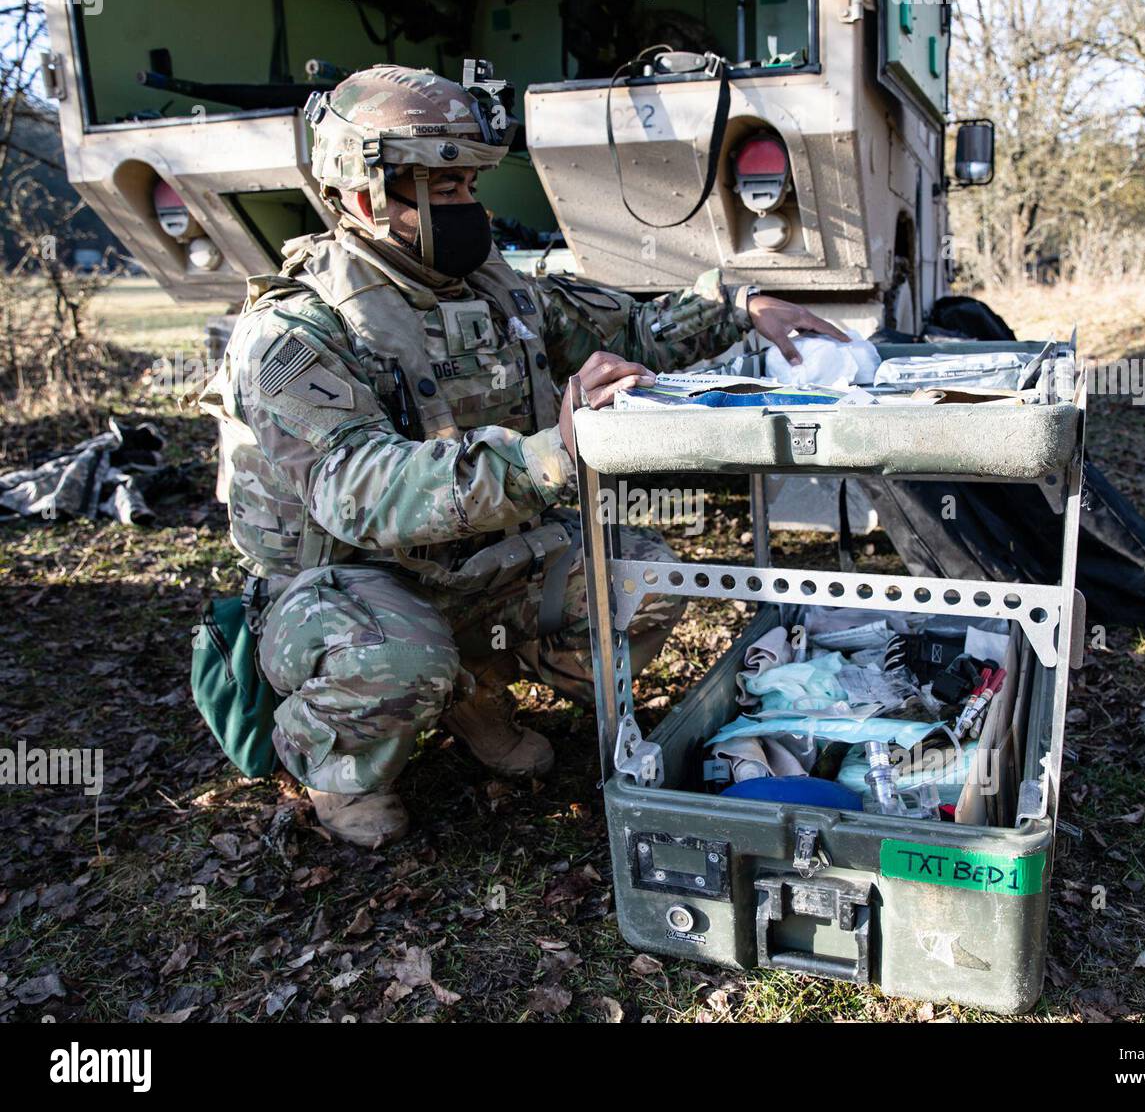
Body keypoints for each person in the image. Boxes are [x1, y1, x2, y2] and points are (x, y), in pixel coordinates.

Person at [201, 64, 847, 847]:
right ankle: (335, 763)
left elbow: (631, 330)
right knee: (399, 654)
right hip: (347, 592)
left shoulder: (497, 290)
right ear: (367, 194)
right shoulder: (295, 334)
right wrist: (547, 455)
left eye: (471, 184)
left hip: (478, 569)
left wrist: (740, 304)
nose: (468, 206)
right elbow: (359, 494)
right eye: (443, 189)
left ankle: (472, 689)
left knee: (642, 578)